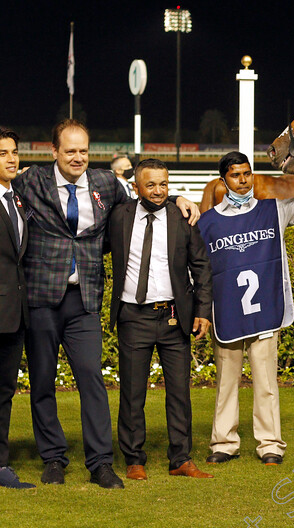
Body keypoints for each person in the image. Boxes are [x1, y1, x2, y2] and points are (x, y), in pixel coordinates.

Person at [11, 119, 199, 489]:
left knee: (92, 381)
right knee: (43, 384)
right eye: (70, 151)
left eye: (83, 150)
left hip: (84, 301)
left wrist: (177, 198)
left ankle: (100, 463)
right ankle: (53, 459)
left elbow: (142, 203)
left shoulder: (104, 183)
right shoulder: (30, 181)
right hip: (40, 300)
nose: (78, 157)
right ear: (54, 152)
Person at [199, 151, 294, 465]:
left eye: (247, 173)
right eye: (235, 175)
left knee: (266, 383)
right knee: (225, 384)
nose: (243, 180)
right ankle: (224, 443)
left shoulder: (273, 210)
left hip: (265, 311)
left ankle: (270, 444)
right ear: (224, 180)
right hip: (226, 314)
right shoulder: (207, 223)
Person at [108, 158, 213, 480]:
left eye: (163, 184)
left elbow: (201, 267)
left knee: (180, 393)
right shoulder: (118, 216)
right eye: (150, 184)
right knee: (132, 394)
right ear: (137, 187)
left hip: (173, 318)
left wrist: (202, 312)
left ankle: (180, 459)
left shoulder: (182, 217)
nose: (157, 190)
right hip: (132, 317)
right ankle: (134, 459)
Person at [0, 129, 34, 489]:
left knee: (4, 392)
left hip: (14, 314)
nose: (11, 159)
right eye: (2, 153)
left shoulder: (18, 198)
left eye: (14, 152)